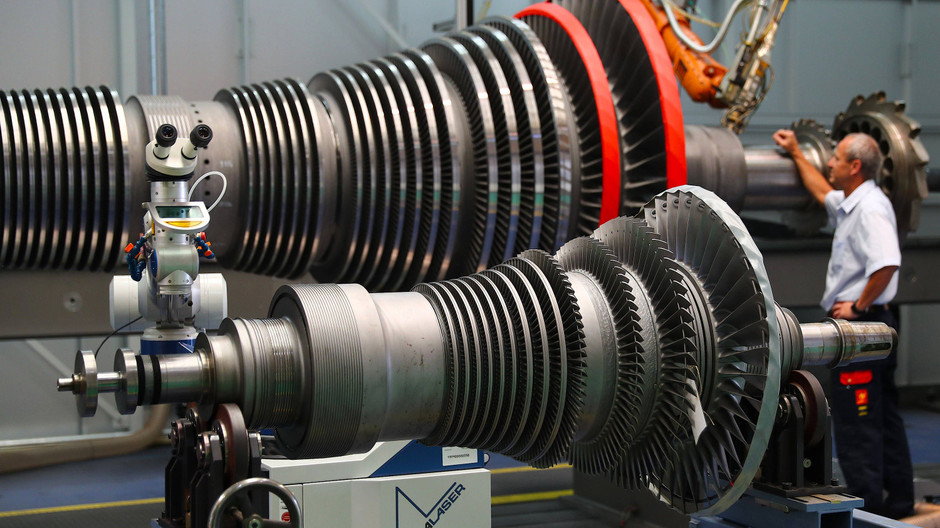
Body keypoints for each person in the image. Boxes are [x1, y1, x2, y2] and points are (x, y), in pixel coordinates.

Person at [773, 129, 914, 519]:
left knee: (857, 423)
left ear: (854, 166)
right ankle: (899, 502)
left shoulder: (870, 209)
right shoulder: (854, 201)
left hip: (862, 327)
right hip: (872, 320)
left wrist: (858, 306)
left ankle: (870, 512)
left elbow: (887, 262)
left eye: (835, 158)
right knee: (883, 416)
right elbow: (822, 192)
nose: (829, 163)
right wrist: (796, 152)